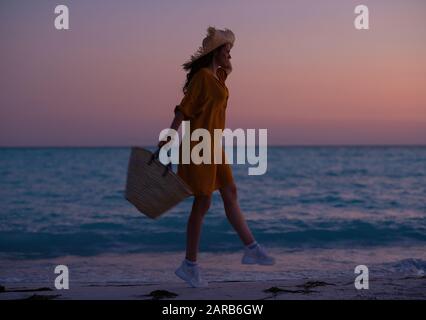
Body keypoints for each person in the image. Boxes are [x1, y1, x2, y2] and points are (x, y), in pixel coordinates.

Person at [158, 26, 275, 288]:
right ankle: (189, 265)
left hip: (214, 146)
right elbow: (183, 110)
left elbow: (216, 90)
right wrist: (167, 139)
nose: (231, 55)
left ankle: (251, 248)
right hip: (198, 146)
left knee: (230, 192)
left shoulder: (219, 77)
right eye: (227, 50)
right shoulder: (201, 78)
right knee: (202, 203)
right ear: (216, 52)